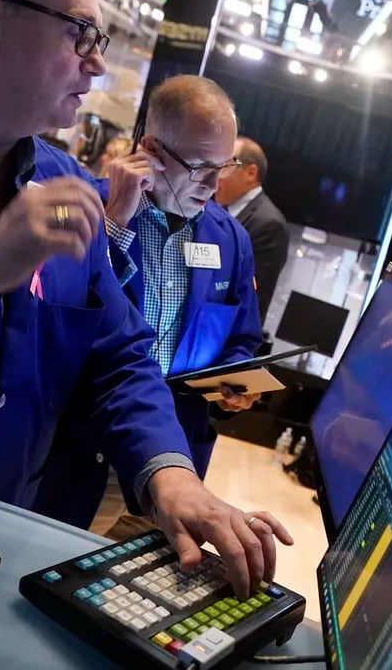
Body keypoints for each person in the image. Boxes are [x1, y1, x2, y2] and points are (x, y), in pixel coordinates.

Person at [0, 0, 291, 600]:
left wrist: (170, 475)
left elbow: (117, 356)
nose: (98, 67)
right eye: (78, 34)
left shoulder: (66, 189)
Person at [91, 76, 264, 536]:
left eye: (223, 167)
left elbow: (241, 337)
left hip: (175, 459)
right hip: (84, 443)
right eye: (199, 167)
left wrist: (235, 381)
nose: (213, 186)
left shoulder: (232, 239)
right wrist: (114, 224)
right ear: (150, 149)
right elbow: (77, 314)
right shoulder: (91, 206)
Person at [215, 137, 289, 322]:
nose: (215, 175)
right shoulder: (213, 208)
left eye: (223, 166)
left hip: (221, 336)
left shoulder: (270, 226)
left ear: (250, 173)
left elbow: (252, 302)